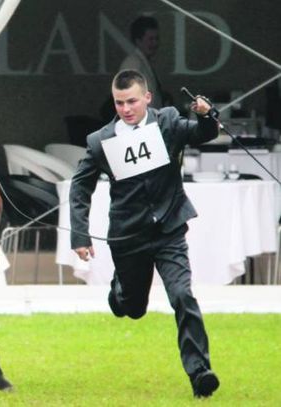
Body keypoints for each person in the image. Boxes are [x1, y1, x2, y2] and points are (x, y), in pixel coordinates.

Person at [69, 69, 220, 398]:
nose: (125, 108)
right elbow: (80, 187)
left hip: (169, 228)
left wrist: (208, 115)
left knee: (182, 296)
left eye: (132, 101)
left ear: (147, 98)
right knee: (133, 309)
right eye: (119, 103)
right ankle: (120, 291)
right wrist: (79, 235)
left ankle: (200, 372)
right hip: (128, 235)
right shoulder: (100, 141)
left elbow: (203, 134)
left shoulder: (167, 122)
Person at [119, 16, 167, 109]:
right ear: (138, 41)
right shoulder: (132, 64)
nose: (155, 43)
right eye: (151, 39)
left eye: (157, 39)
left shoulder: (145, 63)